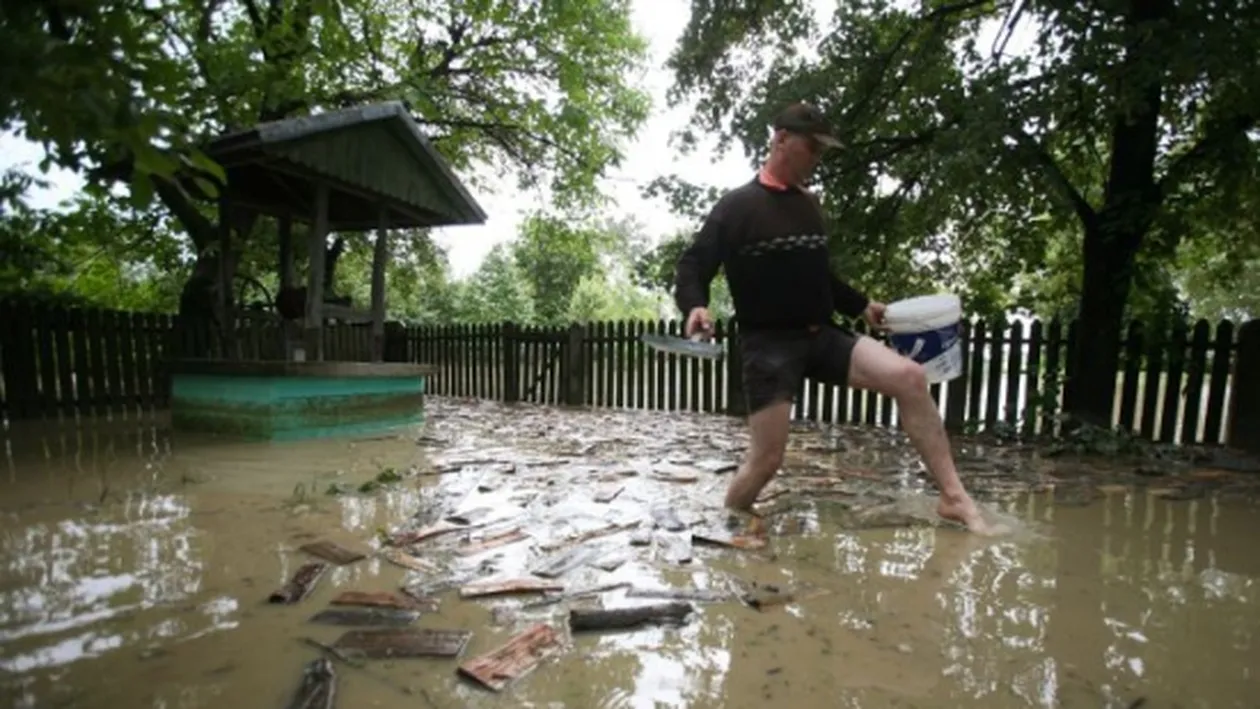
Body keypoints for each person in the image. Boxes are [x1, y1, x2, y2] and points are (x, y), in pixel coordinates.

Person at [673, 101, 993, 535]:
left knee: (910, 378)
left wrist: (861, 305)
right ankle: (727, 524)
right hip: (769, 348)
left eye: (823, 150)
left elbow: (820, 275)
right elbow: (693, 265)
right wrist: (695, 304)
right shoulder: (737, 207)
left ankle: (953, 498)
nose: (818, 158)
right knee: (766, 461)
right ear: (781, 139)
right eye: (813, 147)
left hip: (822, 336)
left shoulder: (809, 204)